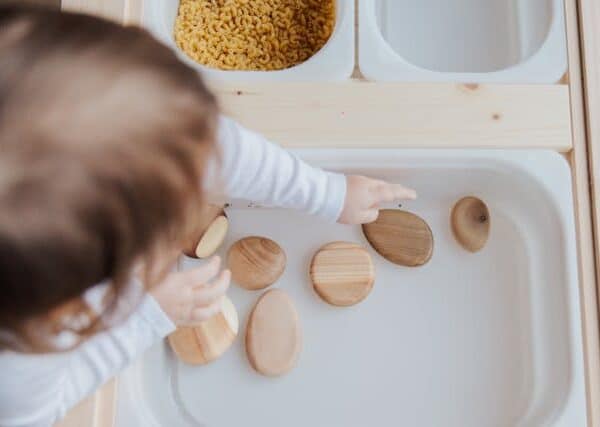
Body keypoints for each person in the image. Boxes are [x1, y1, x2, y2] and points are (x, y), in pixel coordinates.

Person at [0, 6, 416, 427]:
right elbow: (40, 411)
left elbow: (215, 149)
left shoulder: (116, 117)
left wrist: (327, 193)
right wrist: (146, 317)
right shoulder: (23, 357)